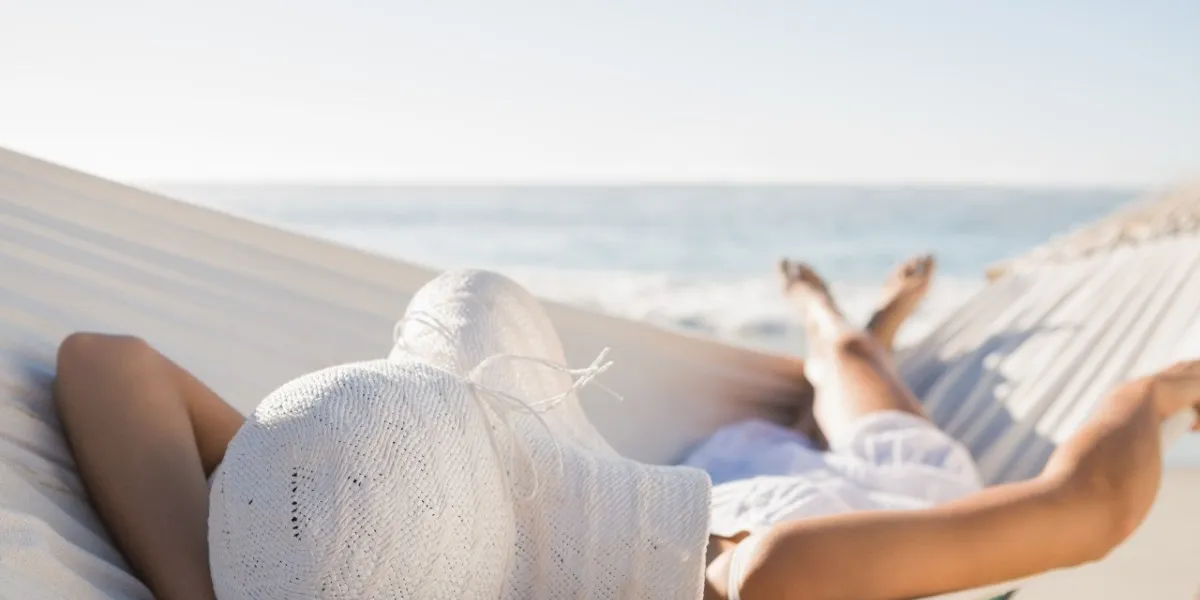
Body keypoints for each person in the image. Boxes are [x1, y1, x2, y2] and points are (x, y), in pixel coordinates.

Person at [53, 265, 1199, 600]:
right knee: (858, 394)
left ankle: (843, 325)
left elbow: (107, 367)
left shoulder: (326, 546)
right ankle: (832, 317)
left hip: (686, 498)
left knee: (834, 380)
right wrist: (1148, 395)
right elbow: (1085, 512)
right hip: (857, 512)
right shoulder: (776, 577)